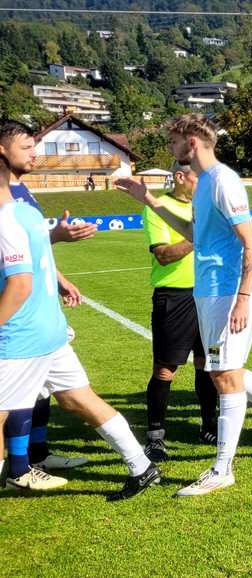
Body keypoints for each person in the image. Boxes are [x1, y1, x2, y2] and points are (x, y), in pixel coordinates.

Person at [116, 113, 252, 497]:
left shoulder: (223, 181)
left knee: (223, 377)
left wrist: (242, 297)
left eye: (174, 141)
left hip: (227, 294)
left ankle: (222, 468)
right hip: (207, 293)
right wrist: (150, 200)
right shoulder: (204, 183)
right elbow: (196, 234)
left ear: (192, 142)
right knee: (228, 371)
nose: (171, 148)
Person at [0, 144, 160, 500]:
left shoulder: (9, 215)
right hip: (48, 330)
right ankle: (141, 465)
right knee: (79, 400)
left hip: (19, 334)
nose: (34, 152)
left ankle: (18, 470)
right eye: (25, 146)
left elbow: (20, 284)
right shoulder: (23, 211)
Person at [0, 119, 97, 474]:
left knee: (36, 388)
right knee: (16, 392)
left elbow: (31, 250)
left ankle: (33, 457)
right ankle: (20, 467)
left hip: (37, 309)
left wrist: (58, 278)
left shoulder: (21, 193)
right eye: (27, 148)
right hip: (16, 311)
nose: (36, 155)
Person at [139, 161, 220, 462]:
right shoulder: (158, 208)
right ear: (180, 177)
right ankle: (155, 436)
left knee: (207, 364)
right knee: (165, 369)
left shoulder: (206, 206)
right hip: (174, 298)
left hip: (208, 295)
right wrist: (196, 236)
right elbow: (163, 255)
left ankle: (209, 425)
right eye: (198, 178)